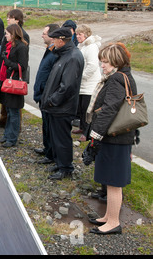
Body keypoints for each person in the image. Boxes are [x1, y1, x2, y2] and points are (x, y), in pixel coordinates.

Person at [86, 43, 137, 235]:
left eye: (105, 62)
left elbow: (108, 110)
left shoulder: (116, 79)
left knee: (114, 182)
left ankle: (113, 222)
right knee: (110, 180)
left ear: (116, 61)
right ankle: (108, 216)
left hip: (114, 138)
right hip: (119, 137)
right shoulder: (124, 76)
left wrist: (95, 137)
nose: (102, 66)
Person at [40, 27, 84, 180]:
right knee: (56, 137)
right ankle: (60, 163)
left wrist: (52, 102)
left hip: (62, 108)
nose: (52, 41)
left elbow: (67, 86)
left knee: (62, 139)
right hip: (57, 107)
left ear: (61, 40)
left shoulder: (72, 57)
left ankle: (65, 168)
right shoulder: (64, 55)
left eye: (54, 39)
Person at [0, 9, 30, 128]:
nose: (7, 19)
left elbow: (22, 61)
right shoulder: (8, 33)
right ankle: (4, 120)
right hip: (5, 71)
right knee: (5, 99)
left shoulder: (23, 37)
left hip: (13, 75)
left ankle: (14, 127)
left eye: (10, 17)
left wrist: (8, 63)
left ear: (17, 20)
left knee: (14, 104)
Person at [0, 24, 29, 147]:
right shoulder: (11, 46)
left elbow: (22, 66)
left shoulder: (21, 47)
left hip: (15, 85)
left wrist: (7, 62)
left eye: (7, 34)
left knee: (14, 113)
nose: (5, 36)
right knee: (9, 111)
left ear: (13, 34)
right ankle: (7, 135)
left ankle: (12, 138)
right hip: (8, 82)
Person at [32, 23, 60, 164]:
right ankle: (47, 148)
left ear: (52, 36)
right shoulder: (49, 50)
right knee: (45, 125)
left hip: (47, 94)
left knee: (50, 126)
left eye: (44, 33)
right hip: (43, 93)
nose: (42, 35)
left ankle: (51, 154)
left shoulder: (56, 53)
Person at [74, 24, 102, 142]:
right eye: (76, 34)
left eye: (80, 34)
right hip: (82, 85)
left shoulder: (91, 47)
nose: (77, 36)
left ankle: (87, 132)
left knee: (87, 110)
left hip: (89, 85)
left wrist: (81, 77)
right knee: (80, 108)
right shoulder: (82, 46)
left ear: (86, 34)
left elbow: (92, 66)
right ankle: (82, 127)